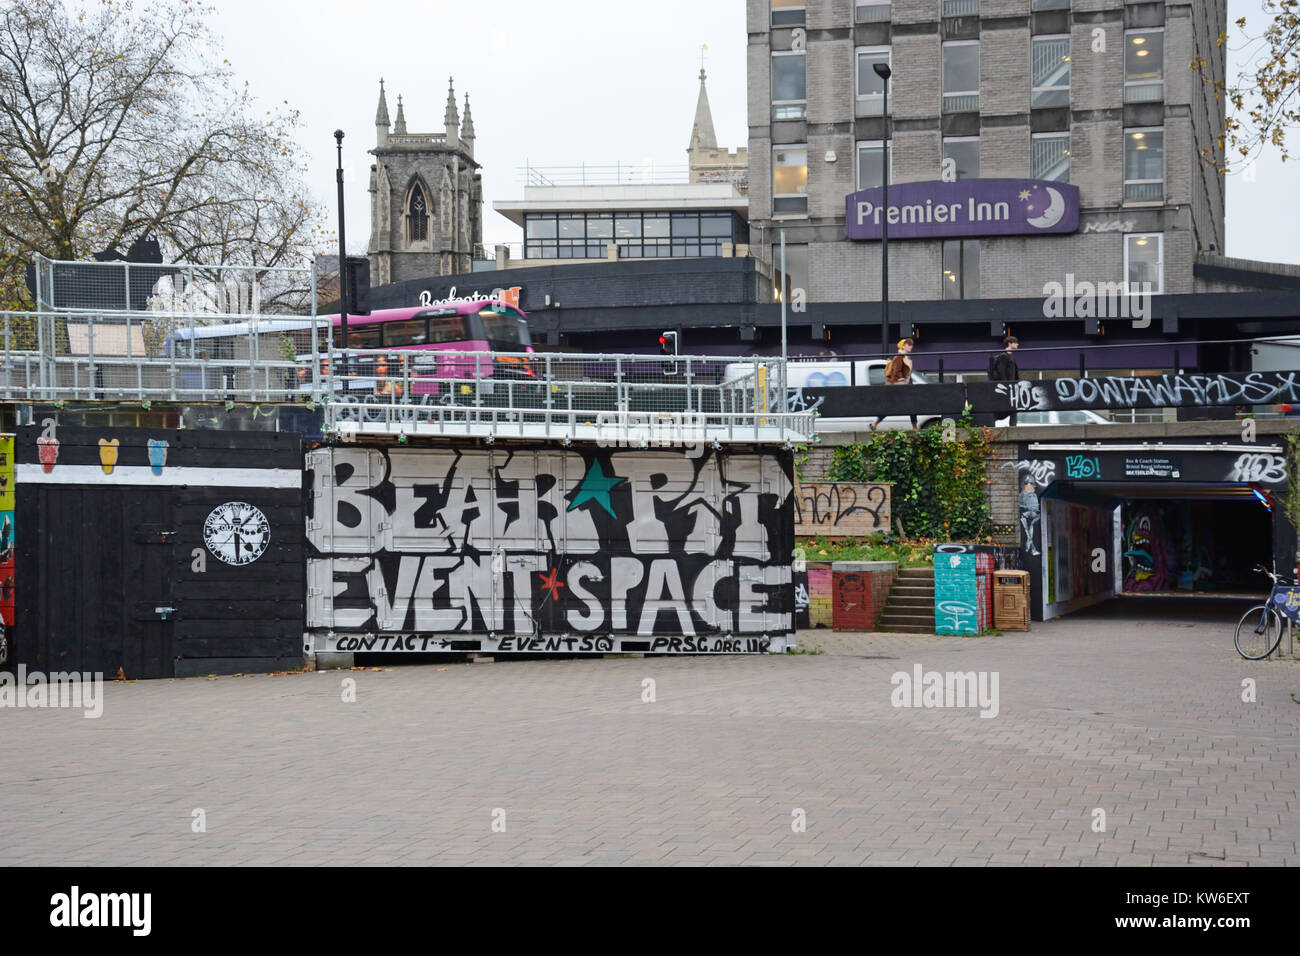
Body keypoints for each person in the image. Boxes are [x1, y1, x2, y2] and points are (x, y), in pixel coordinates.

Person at [873, 338, 918, 430]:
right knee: (895, 406)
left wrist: (909, 384)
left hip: (903, 386)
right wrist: (902, 381)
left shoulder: (905, 357)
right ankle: (875, 422)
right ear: (903, 346)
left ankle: (875, 423)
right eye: (908, 345)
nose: (911, 346)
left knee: (908, 405)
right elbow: (896, 372)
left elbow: (908, 375)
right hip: (897, 386)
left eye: (911, 345)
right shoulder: (899, 357)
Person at [990, 336, 1021, 425]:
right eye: (1015, 342)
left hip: (1011, 386)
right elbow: (1001, 371)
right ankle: (993, 422)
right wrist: (1006, 384)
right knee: (1005, 408)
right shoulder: (1004, 356)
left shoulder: (1011, 356)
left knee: (1013, 407)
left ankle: (1013, 426)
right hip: (1007, 387)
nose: (1017, 344)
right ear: (1009, 343)